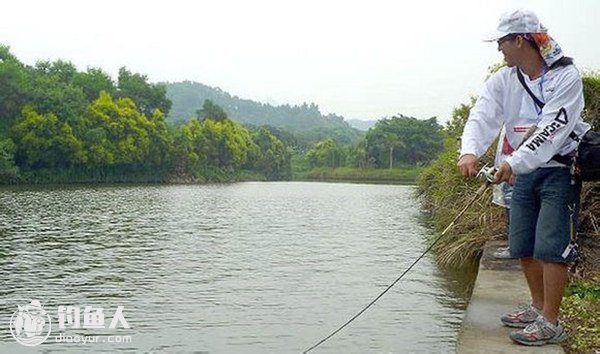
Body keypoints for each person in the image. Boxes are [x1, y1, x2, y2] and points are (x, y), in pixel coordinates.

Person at [457, 9, 591, 346]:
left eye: (502, 42)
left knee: (551, 245)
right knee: (524, 244)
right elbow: (483, 114)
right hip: (521, 171)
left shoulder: (565, 77)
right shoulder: (504, 79)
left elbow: (552, 129)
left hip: (558, 170)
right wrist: (469, 150)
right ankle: (536, 306)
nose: (499, 49)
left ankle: (551, 321)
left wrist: (514, 162)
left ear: (520, 40)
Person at [491, 126, 515, 259]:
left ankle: (515, 248)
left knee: (515, 213)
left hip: (514, 171)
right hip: (506, 170)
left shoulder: (519, 123)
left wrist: (514, 169)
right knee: (509, 211)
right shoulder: (508, 123)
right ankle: (513, 246)